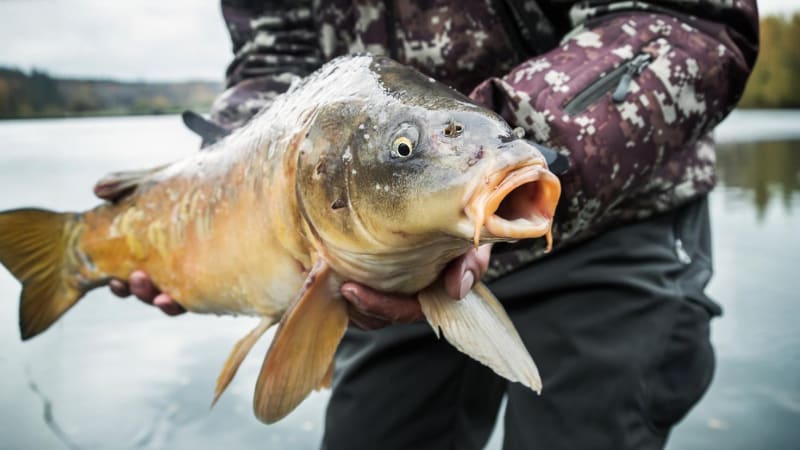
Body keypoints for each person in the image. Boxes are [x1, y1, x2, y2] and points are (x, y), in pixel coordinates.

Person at [105, 1, 759, 448]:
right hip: (378, 243)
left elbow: (684, 15)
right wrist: (220, 187)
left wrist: (515, 149)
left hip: (608, 214)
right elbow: (274, 66)